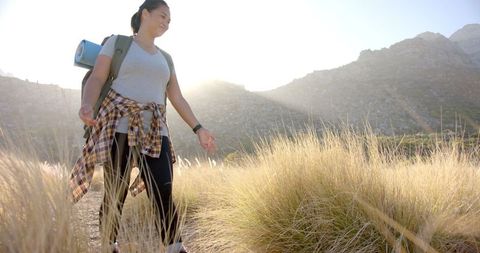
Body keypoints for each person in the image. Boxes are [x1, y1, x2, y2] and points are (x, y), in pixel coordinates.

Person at [69, 1, 216, 252]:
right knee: (116, 190)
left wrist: (198, 128)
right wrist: (87, 105)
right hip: (120, 128)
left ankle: (175, 246)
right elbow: (97, 77)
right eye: (162, 16)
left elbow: (177, 98)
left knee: (164, 190)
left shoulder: (165, 58)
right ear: (144, 14)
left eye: (169, 20)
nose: (166, 23)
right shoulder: (118, 43)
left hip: (156, 131)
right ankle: (108, 244)